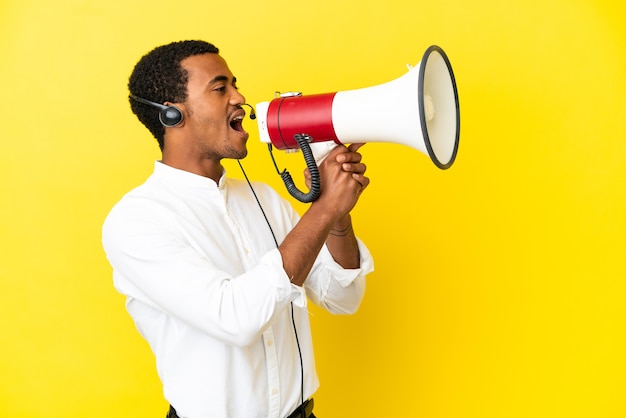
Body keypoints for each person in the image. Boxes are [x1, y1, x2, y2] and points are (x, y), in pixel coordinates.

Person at [102, 40, 374, 418]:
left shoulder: (263, 198)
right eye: (220, 88)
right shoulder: (137, 221)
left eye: (235, 84)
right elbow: (235, 318)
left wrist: (338, 213)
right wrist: (323, 208)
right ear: (171, 115)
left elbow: (341, 299)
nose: (240, 97)